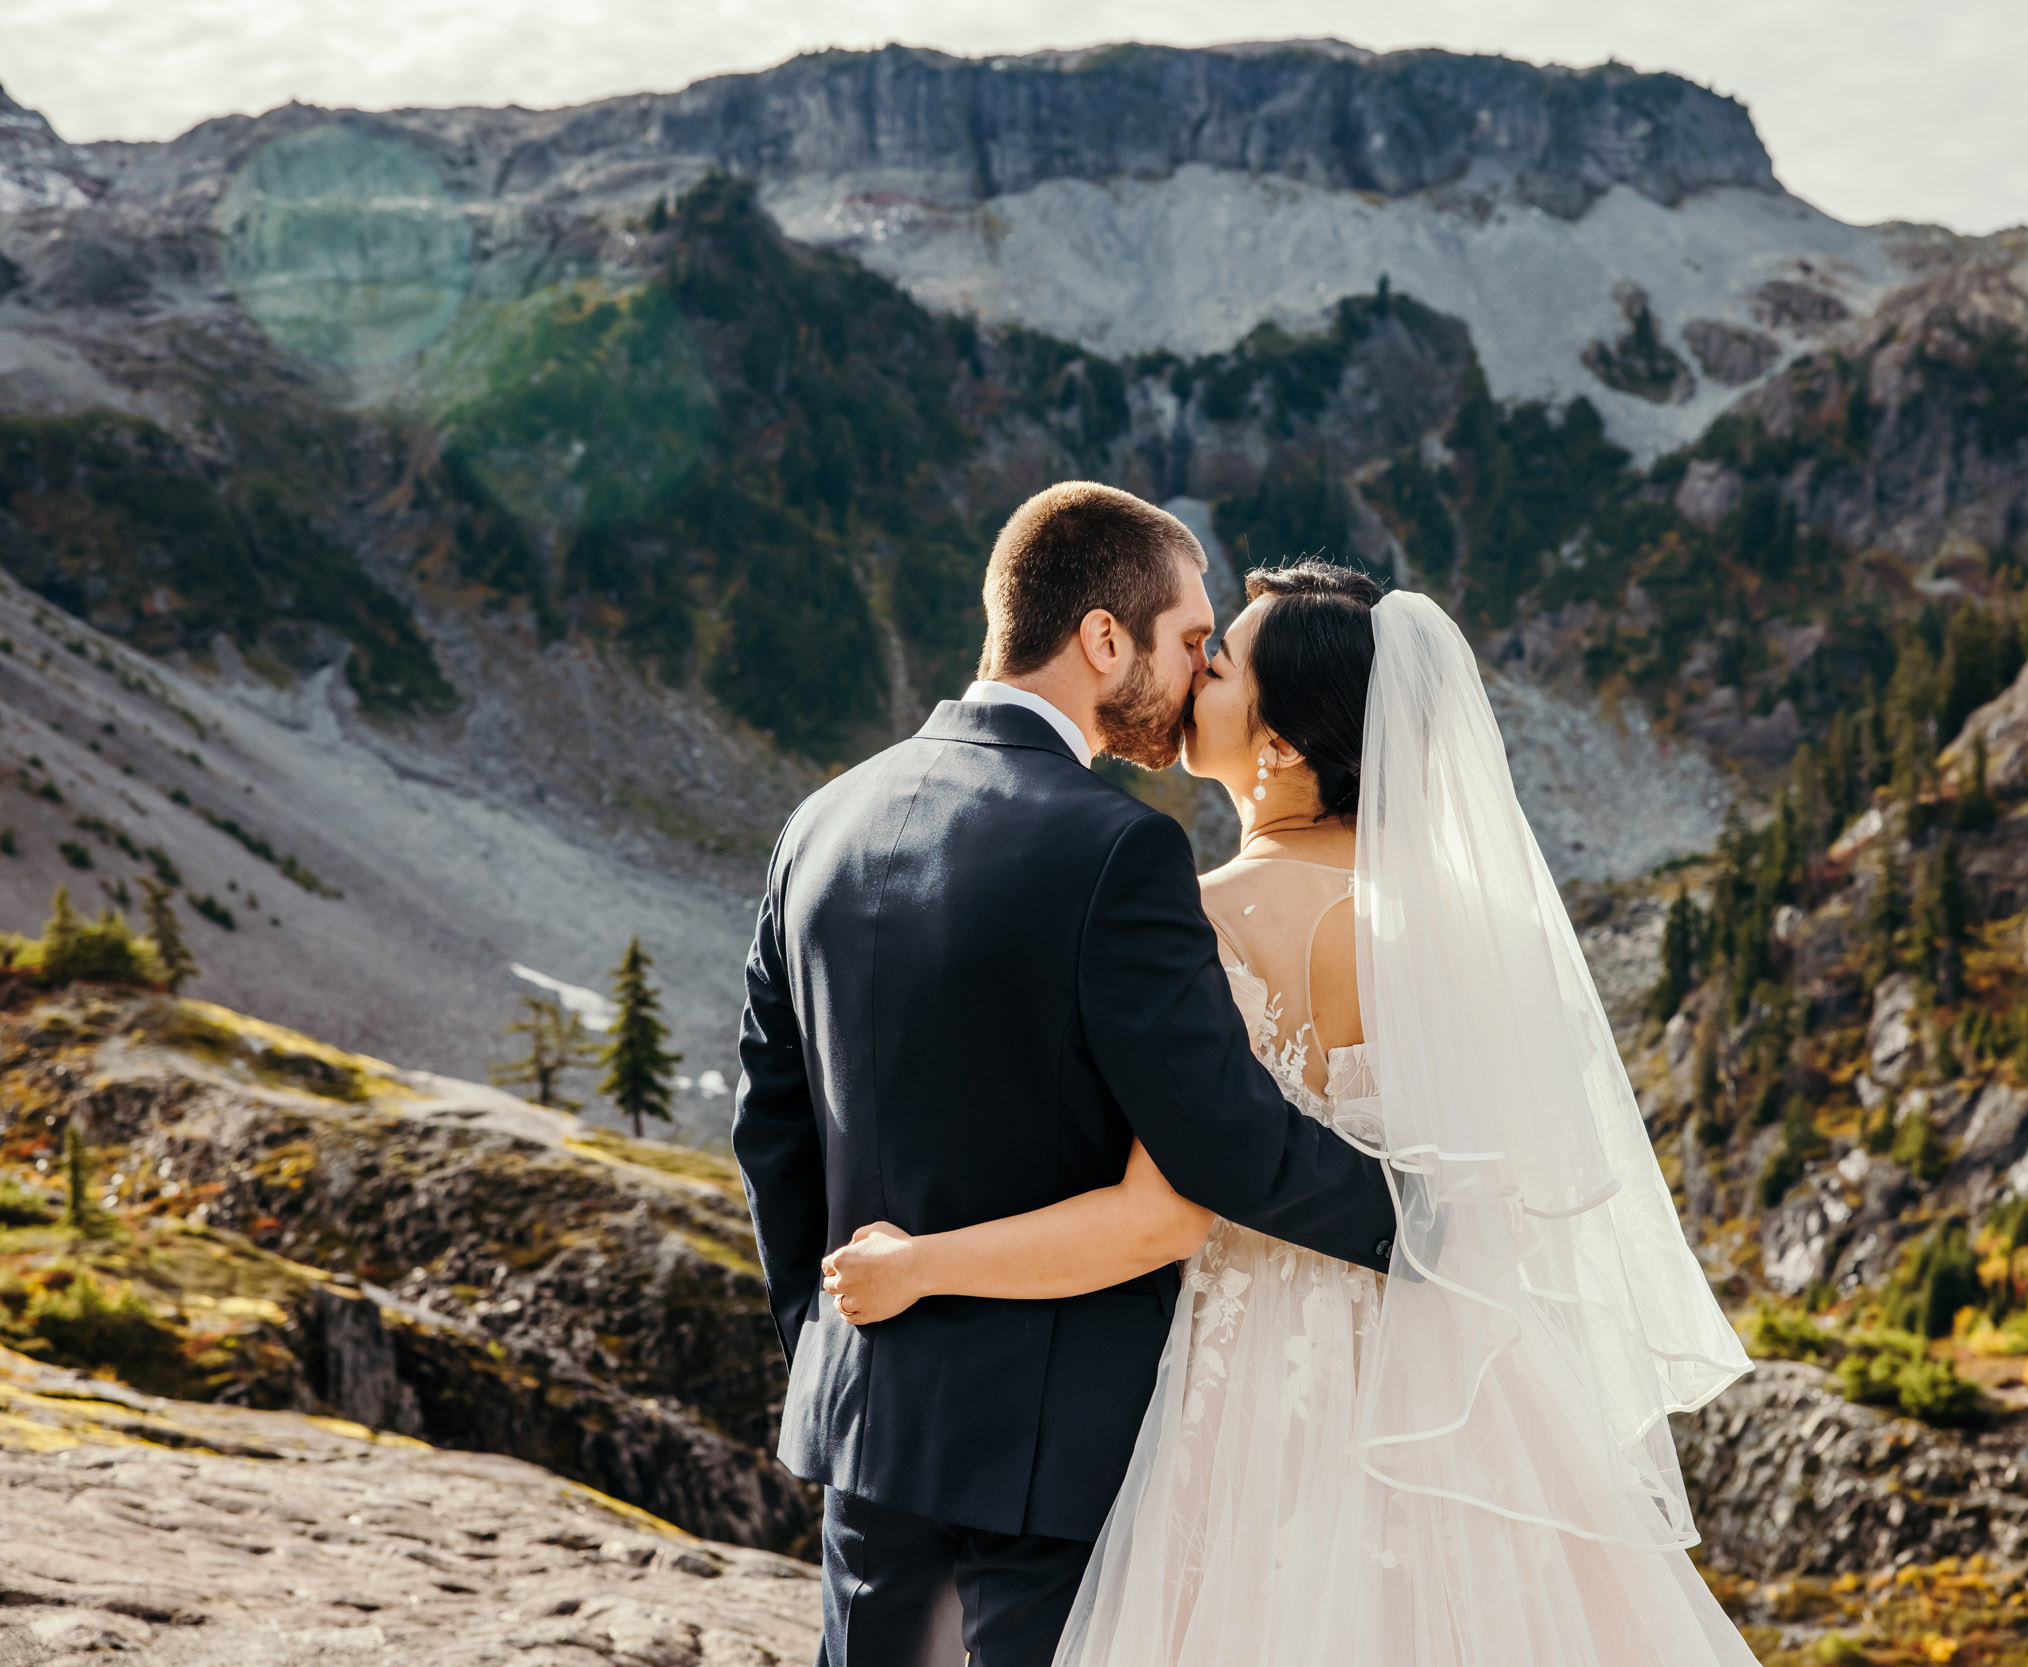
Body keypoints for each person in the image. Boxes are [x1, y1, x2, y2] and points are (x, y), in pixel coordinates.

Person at [824, 561, 1761, 1667]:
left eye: (1215, 663)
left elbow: (1160, 1218)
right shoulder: (1472, 929)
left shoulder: (1203, 915)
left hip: (1249, 1383)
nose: (1191, 673)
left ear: (1276, 748)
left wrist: (920, 1264)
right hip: (1461, 1378)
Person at [733, 486, 1399, 1667]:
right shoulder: (1116, 849)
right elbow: (1225, 1142)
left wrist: (840, 1352)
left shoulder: (819, 822)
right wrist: (1426, 1227)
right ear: (1103, 638)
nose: (1199, 672)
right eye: (1192, 639)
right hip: (1048, 1464)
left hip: (867, 1430)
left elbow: (772, 1127)